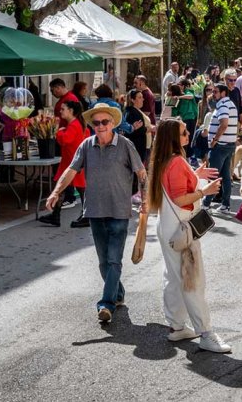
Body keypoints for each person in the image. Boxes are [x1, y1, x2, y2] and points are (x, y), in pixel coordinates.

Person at [46, 103, 147, 322]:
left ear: (113, 123)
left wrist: (145, 200)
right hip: (94, 211)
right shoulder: (86, 146)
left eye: (105, 122)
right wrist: (56, 192)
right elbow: (71, 170)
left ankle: (106, 303)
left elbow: (141, 173)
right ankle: (117, 293)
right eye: (96, 123)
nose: (100, 126)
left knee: (113, 260)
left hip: (119, 210)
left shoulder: (125, 145)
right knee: (103, 261)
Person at [146, 119, 231, 353]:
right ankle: (205, 332)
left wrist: (195, 174)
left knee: (174, 277)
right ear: (174, 137)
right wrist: (205, 190)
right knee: (192, 279)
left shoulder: (164, 161)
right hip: (181, 230)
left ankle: (177, 326)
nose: (188, 134)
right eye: (183, 132)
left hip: (168, 228)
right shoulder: (176, 162)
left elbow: (173, 191)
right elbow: (180, 198)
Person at [39, 101, 89, 227]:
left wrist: (59, 132)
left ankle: (84, 215)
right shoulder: (77, 124)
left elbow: (66, 139)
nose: (60, 111)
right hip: (72, 161)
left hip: (73, 162)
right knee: (73, 188)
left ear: (71, 111)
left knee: (74, 188)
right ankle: (57, 215)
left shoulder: (73, 125)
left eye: (63, 109)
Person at [202, 84, 238, 213]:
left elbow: (224, 124)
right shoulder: (230, 104)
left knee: (213, 175)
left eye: (216, 91)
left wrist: (215, 140)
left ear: (223, 93)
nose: (213, 94)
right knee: (225, 176)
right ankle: (225, 205)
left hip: (220, 145)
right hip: (228, 145)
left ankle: (206, 203)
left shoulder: (223, 105)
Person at [172, 79, 199, 156]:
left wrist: (180, 97)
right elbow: (175, 110)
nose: (178, 85)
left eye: (179, 84)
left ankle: (189, 156)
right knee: (183, 139)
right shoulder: (178, 95)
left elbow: (191, 96)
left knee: (189, 138)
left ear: (183, 86)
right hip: (183, 120)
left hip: (190, 119)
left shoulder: (187, 92)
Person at [124, 89, 150, 163]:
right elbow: (137, 131)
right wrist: (150, 129)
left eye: (142, 97)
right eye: (139, 97)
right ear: (133, 100)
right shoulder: (133, 112)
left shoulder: (133, 110)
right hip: (137, 147)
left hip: (137, 147)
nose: (143, 99)